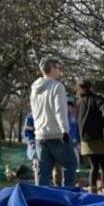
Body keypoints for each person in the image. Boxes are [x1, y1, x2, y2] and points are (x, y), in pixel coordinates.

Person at [30, 58, 77, 188]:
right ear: (51, 69)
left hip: (40, 135)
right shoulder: (57, 86)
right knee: (70, 165)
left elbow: (34, 110)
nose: (60, 71)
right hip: (56, 134)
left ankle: (41, 201)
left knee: (42, 173)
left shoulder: (34, 88)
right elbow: (59, 110)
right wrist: (65, 130)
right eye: (58, 68)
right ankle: (68, 196)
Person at [77, 80, 104, 194]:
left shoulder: (79, 102)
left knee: (94, 165)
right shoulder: (97, 99)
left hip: (85, 139)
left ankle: (92, 190)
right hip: (98, 137)